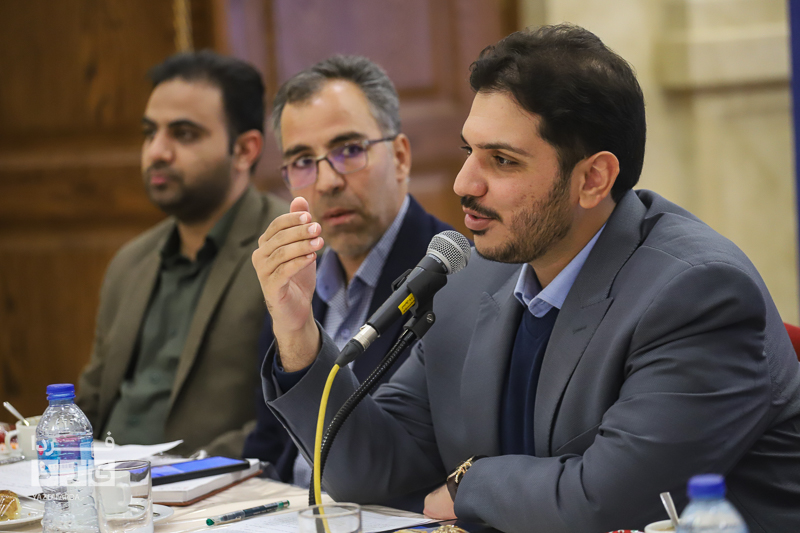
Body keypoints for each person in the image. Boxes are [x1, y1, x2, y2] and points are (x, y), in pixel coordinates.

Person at [252, 24, 800, 533]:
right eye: (469, 151)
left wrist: (466, 484)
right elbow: (375, 471)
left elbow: (608, 501)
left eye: (503, 161)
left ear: (593, 178)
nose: (464, 183)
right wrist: (298, 331)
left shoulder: (698, 293)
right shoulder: (472, 278)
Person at [242, 55, 453, 490]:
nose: (327, 181)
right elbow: (270, 443)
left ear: (400, 157)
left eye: (349, 150)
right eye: (303, 160)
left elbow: (419, 464)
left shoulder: (450, 277)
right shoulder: (296, 280)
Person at [76, 51, 288, 457]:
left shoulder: (284, 251)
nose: (157, 151)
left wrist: (179, 473)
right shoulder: (130, 262)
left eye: (184, 134)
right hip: (103, 480)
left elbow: (291, 415)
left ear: (245, 149)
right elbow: (91, 401)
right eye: (149, 132)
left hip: (215, 485)